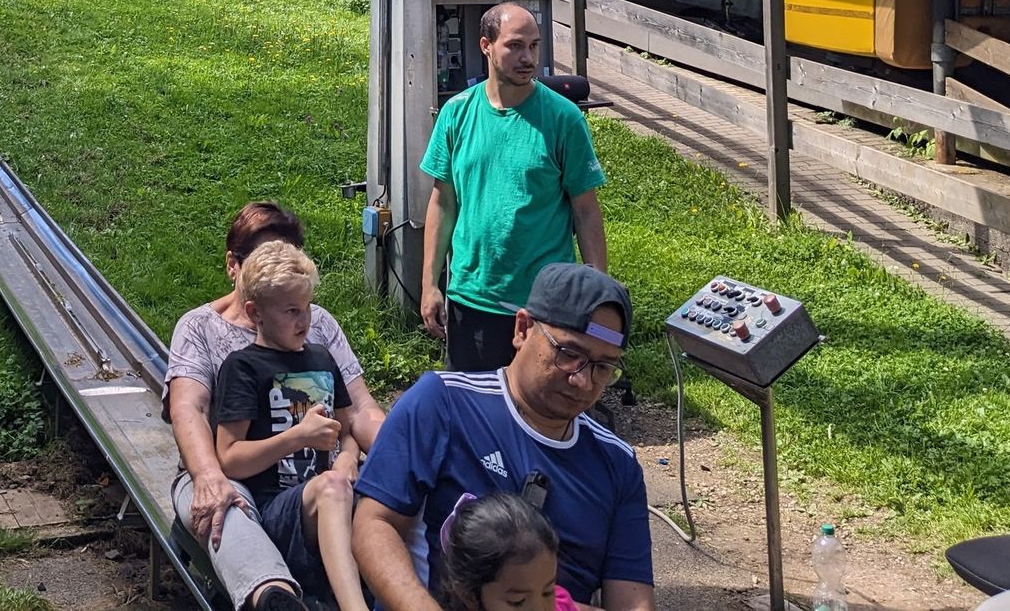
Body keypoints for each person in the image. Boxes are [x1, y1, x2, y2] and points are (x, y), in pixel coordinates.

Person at [353, 262, 654, 611]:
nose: (583, 381)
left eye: (603, 367)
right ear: (523, 329)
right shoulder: (443, 403)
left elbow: (633, 601)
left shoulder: (617, 463)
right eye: (569, 355)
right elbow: (374, 524)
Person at [166, 202, 387, 611]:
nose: (277, 263)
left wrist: (396, 456)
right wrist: (208, 474)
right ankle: (273, 594)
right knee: (228, 505)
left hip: (312, 482)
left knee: (380, 493)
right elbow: (189, 409)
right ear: (234, 266)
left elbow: (357, 411)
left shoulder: (316, 328)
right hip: (222, 469)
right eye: (264, 256)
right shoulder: (201, 327)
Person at [421, 2, 609, 372]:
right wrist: (429, 284)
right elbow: (443, 202)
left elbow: (586, 210)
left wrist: (597, 293)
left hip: (544, 304)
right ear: (486, 45)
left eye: (534, 46)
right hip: (472, 298)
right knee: (475, 402)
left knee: (541, 403)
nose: (528, 58)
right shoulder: (456, 113)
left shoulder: (564, 119)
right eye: (515, 46)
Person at [211, 242, 377, 611]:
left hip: (330, 497)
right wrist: (297, 437)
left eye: (307, 308)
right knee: (332, 487)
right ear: (255, 313)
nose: (304, 321)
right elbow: (229, 457)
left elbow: (347, 428)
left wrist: (348, 457)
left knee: (382, 491)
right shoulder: (243, 367)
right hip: (276, 511)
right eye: (291, 311)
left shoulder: (322, 358)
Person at [435, 494, 574, 611]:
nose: (540, 607)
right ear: (469, 597)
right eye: (518, 602)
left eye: (548, 592)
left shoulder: (561, 605)